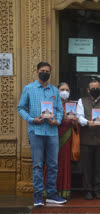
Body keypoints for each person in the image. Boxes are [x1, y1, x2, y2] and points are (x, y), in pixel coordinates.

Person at [17, 62, 66, 206]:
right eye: (42, 70)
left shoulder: (54, 91)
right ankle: (38, 196)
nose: (45, 73)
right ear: (37, 71)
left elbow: (59, 110)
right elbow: (21, 108)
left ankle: (51, 194)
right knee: (38, 165)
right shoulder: (29, 89)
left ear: (50, 73)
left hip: (51, 132)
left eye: (48, 71)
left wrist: (56, 121)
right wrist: (32, 120)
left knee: (53, 165)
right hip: (36, 131)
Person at [77, 79, 100, 200]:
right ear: (88, 90)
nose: (95, 90)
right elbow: (79, 117)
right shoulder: (81, 101)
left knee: (99, 168)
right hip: (86, 140)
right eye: (92, 88)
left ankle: (97, 190)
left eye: (97, 87)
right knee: (86, 168)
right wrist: (87, 122)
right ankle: (88, 191)